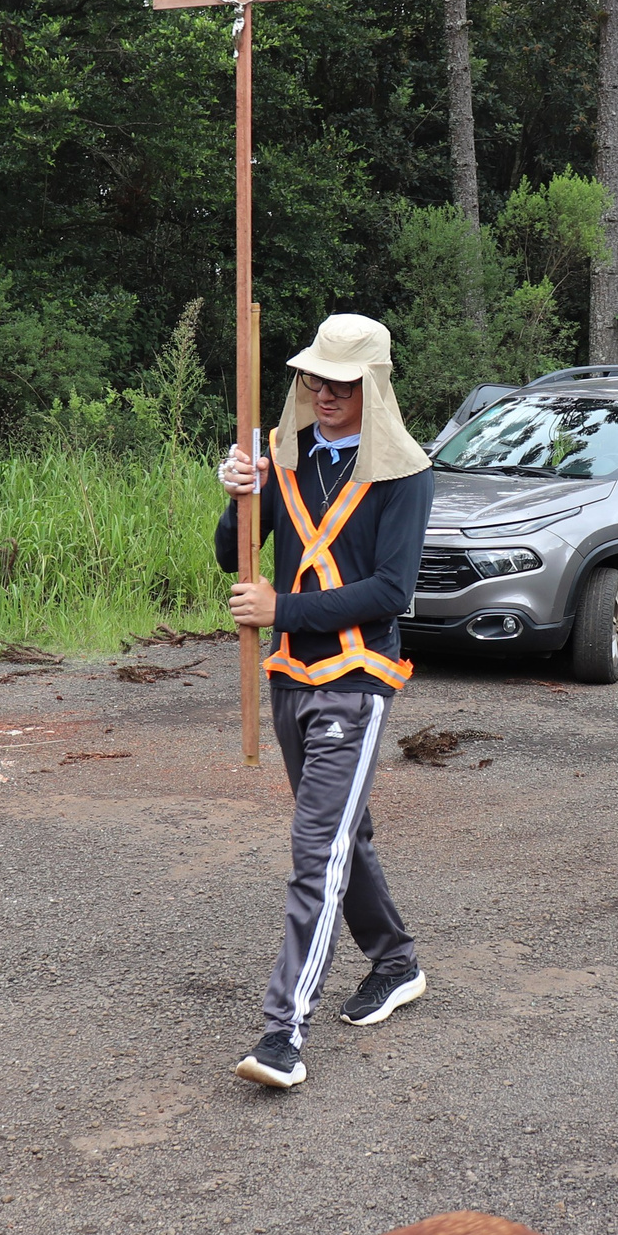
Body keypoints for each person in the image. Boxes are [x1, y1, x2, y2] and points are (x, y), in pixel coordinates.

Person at [214, 314, 437, 1091]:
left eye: (342, 383)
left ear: (373, 386)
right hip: (288, 678)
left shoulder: (405, 473)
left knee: (318, 849)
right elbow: (232, 557)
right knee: (347, 832)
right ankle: (398, 961)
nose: (325, 394)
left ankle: (283, 1034)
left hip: (357, 677)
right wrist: (240, 496)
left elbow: (391, 590)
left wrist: (285, 610)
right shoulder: (289, 453)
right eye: (315, 379)